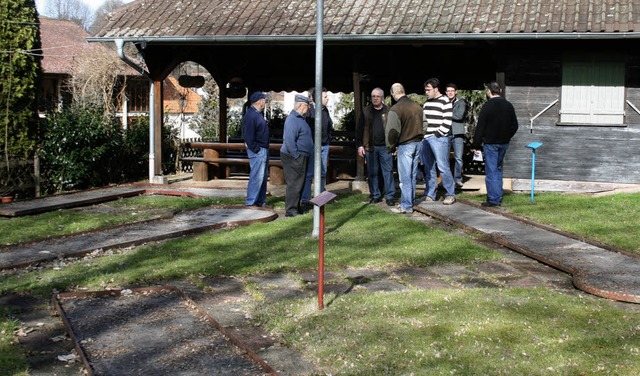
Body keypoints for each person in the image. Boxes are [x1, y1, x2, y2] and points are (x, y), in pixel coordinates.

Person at [472, 81, 519, 207]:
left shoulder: (487, 106)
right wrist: (507, 136)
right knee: (498, 169)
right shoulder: (508, 105)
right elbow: (515, 126)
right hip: (504, 142)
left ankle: (493, 199)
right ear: (500, 91)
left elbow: (480, 127)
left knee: (491, 171)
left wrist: (476, 145)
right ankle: (497, 195)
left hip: (490, 143)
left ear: (489, 91)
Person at [385, 83, 423, 214]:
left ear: (393, 93)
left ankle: (406, 205)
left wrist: (390, 147)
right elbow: (426, 124)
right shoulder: (417, 106)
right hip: (418, 143)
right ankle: (410, 201)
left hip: (405, 144)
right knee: (412, 175)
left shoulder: (396, 109)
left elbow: (392, 132)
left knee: (405, 178)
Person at [356, 87, 395, 206]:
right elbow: (359, 129)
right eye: (373, 96)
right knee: (372, 172)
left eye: (378, 96)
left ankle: (390, 196)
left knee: (387, 172)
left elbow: (394, 129)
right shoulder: (366, 111)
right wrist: (360, 145)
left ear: (382, 98)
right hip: (370, 146)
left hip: (386, 147)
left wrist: (395, 146)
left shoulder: (390, 111)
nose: (375, 98)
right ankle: (375, 195)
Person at [421, 77, 456, 205]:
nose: (426, 92)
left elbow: (447, 121)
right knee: (428, 167)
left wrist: (437, 134)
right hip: (426, 138)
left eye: (428, 89)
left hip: (439, 138)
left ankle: (450, 194)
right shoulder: (427, 102)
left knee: (442, 166)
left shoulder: (445, 101)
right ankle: (430, 194)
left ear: (436, 89)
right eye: (425, 90)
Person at [280, 94, 313, 217]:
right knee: (294, 183)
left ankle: (296, 207)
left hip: (299, 156)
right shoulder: (292, 119)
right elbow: (289, 140)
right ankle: (291, 210)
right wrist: (296, 156)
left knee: (299, 183)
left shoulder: (300, 118)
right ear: (300, 105)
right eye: (307, 105)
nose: (308, 108)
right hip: (293, 157)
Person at [301, 87, 333, 209]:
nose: (327, 99)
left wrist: (328, 139)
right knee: (310, 174)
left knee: (323, 172)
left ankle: (320, 198)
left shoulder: (325, 111)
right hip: (313, 147)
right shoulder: (310, 111)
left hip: (324, 145)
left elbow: (329, 126)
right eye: (325, 97)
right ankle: (305, 199)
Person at [242, 91, 269, 207]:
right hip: (258, 151)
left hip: (261, 149)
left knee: (262, 177)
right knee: (257, 177)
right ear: (260, 101)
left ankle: (260, 201)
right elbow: (248, 136)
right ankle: (251, 202)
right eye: (264, 99)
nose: (265, 101)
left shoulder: (256, 114)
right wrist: (257, 149)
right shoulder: (252, 115)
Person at [446, 83, 467, 188]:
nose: (450, 93)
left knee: (458, 158)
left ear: (456, 92)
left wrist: (446, 113)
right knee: (444, 158)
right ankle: (447, 179)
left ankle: (458, 179)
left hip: (457, 133)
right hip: (445, 133)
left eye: (452, 91)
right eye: (448, 91)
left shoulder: (461, 102)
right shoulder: (444, 102)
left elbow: (459, 116)